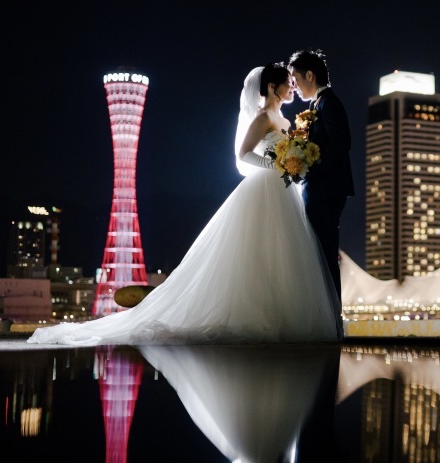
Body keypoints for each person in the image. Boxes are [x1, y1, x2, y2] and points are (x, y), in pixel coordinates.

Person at [27, 63, 342, 346]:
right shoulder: (261, 117)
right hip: (266, 187)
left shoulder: (283, 118)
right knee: (256, 252)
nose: (291, 86)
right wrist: (276, 165)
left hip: (283, 191)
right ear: (272, 88)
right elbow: (243, 155)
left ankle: (282, 316)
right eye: (287, 82)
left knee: (281, 255)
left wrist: (293, 162)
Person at [287, 49, 354, 309]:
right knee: (319, 254)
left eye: (295, 78)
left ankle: (332, 317)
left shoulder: (328, 102)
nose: (294, 85)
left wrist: (308, 170)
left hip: (326, 191)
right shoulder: (317, 104)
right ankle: (325, 313)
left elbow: (341, 144)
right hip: (320, 189)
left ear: (310, 75)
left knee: (325, 254)